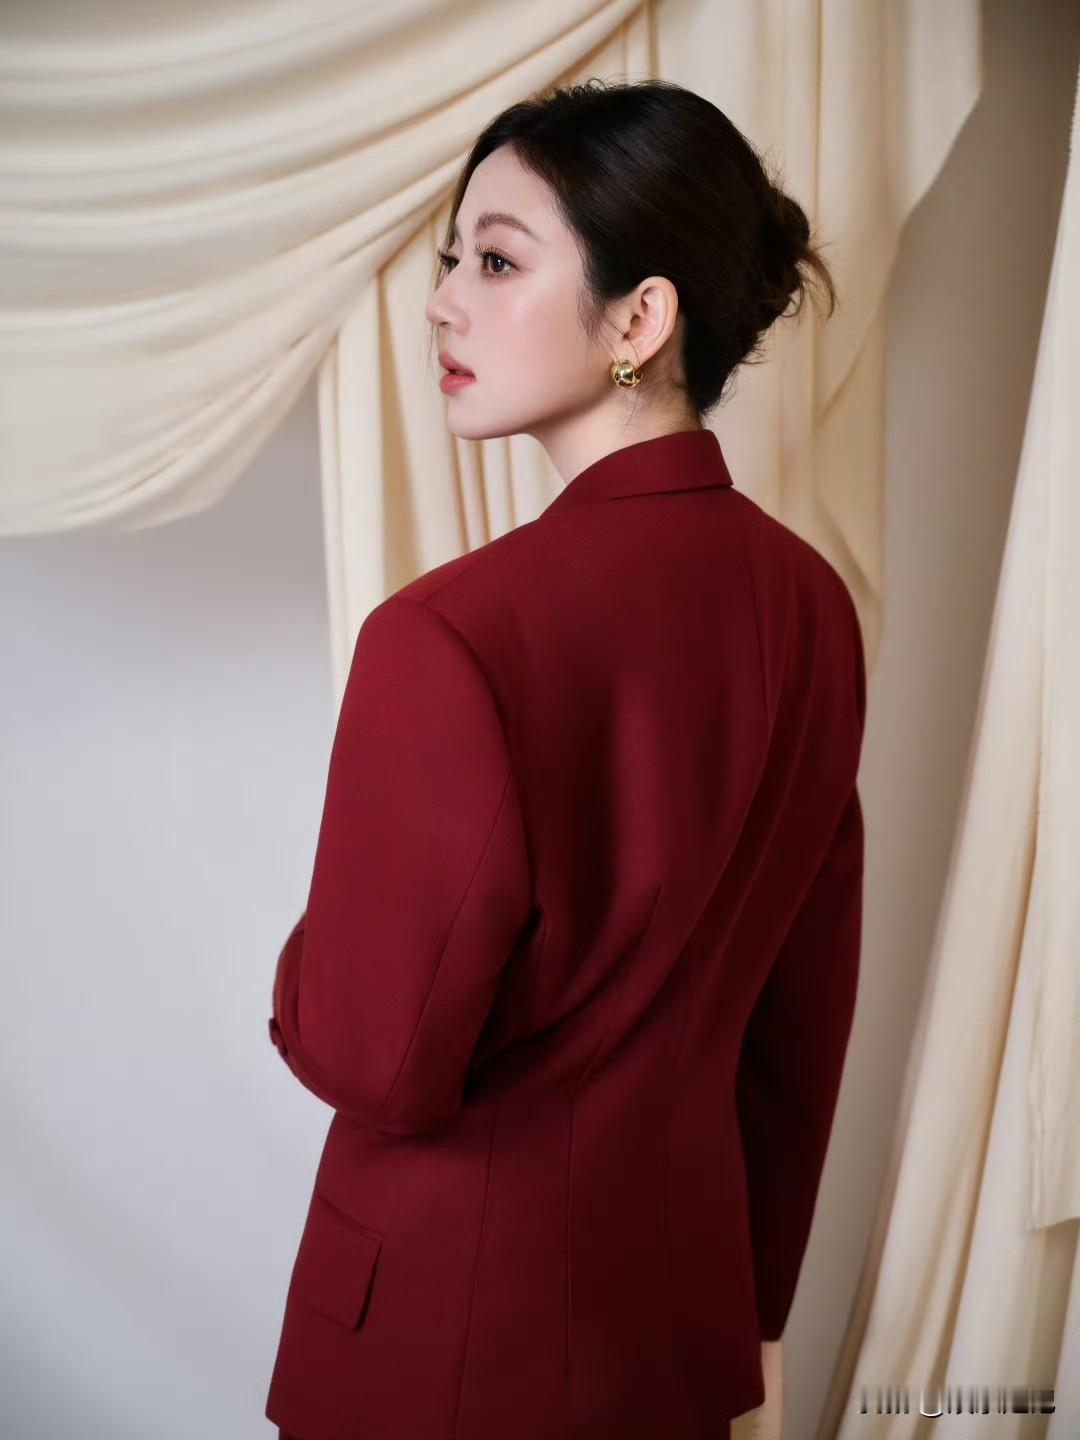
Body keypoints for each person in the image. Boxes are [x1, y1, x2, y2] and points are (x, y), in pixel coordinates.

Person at [265, 78, 863, 1440]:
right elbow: (800, 1023)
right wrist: (753, 1303)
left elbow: (376, 1058)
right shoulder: (811, 606)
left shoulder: (448, 636)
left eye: (494, 260)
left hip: (445, 1341)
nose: (441, 304)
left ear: (639, 320)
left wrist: (309, 961)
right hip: (675, 1323)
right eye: (450, 263)